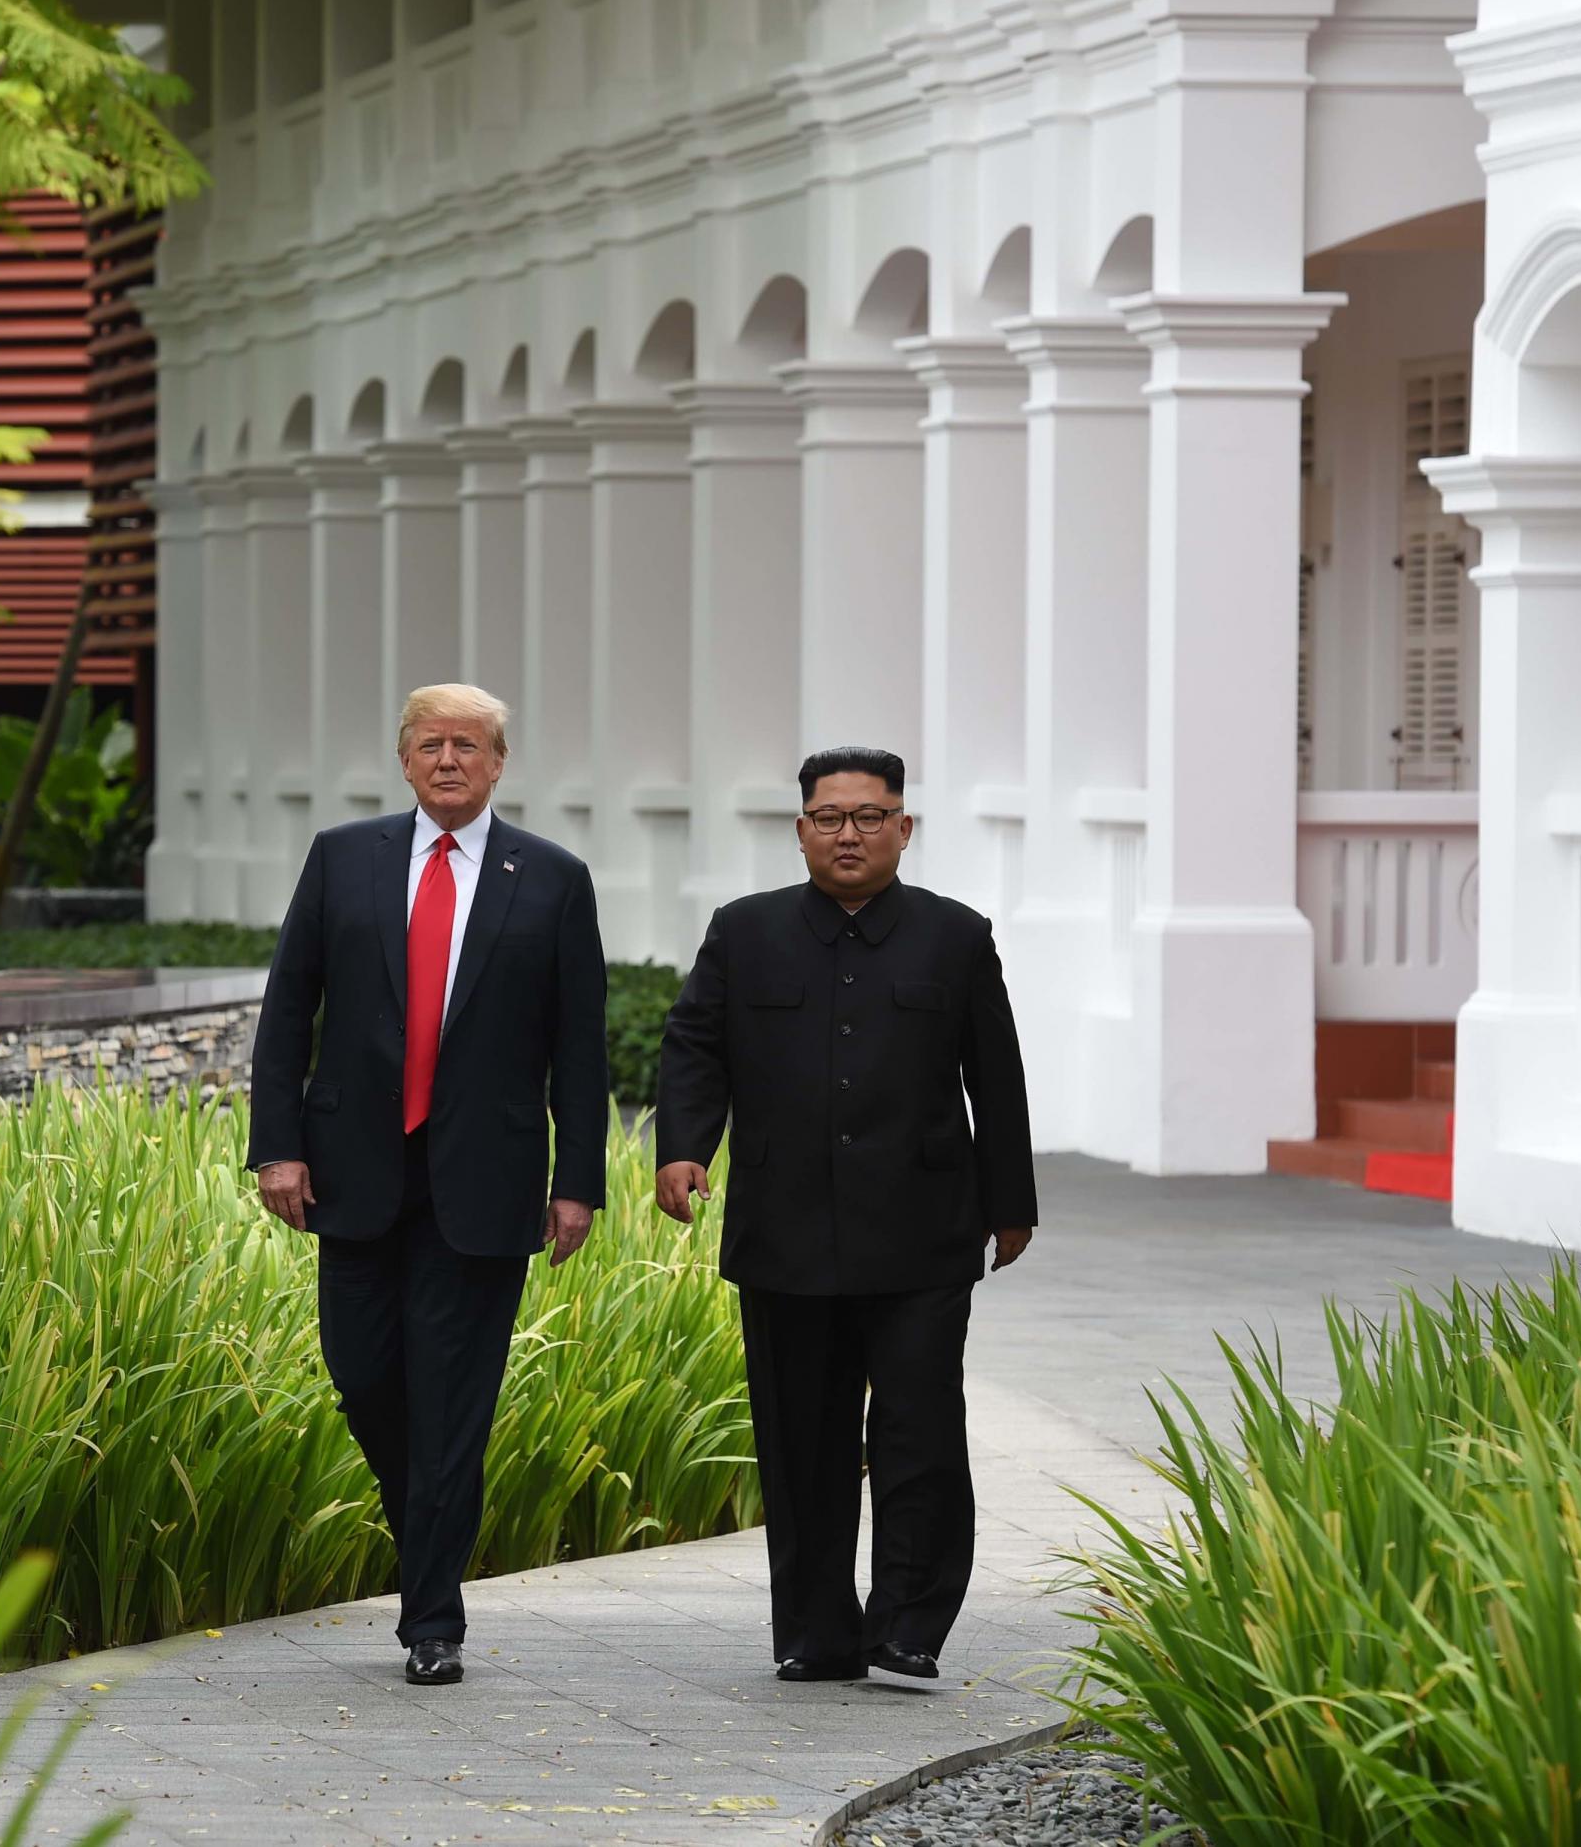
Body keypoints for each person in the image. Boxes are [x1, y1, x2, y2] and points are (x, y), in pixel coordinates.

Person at [248, 683, 608, 1686]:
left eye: (468, 745)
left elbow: (577, 1046)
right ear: (404, 760)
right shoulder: (342, 859)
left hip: (484, 1183)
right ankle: (431, 1530)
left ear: (499, 763)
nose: (448, 760)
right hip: (353, 1172)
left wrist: (578, 1179)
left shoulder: (550, 878)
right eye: (429, 744)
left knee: (451, 1402)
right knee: (362, 1372)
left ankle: (432, 1619)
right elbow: (288, 1009)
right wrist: (276, 1145)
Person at [653, 746, 1036, 1684]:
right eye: (830, 817)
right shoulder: (744, 932)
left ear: (903, 828)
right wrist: (684, 1146)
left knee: (919, 1433)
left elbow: (997, 1074)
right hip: (784, 1234)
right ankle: (817, 1635)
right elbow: (695, 1045)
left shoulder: (956, 936)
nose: (849, 834)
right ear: (801, 831)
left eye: (869, 816)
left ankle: (908, 1625)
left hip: (924, 1235)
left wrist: (1010, 1202)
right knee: (802, 1444)